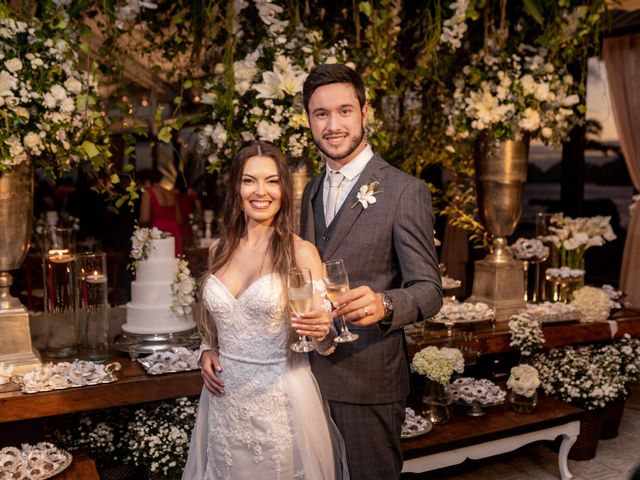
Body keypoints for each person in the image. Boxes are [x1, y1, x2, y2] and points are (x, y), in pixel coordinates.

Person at [300, 63, 443, 479]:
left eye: (344, 111)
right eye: (320, 114)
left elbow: (429, 290)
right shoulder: (309, 190)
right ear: (309, 121)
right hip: (309, 380)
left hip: (368, 382)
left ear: (364, 112)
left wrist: (385, 303)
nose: (333, 125)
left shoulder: (404, 190)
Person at [183, 141, 348, 480]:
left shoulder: (301, 253)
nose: (261, 191)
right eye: (249, 180)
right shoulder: (219, 249)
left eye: (272, 181)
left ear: (284, 189)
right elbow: (214, 325)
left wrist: (322, 332)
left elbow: (324, 339)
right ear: (236, 187)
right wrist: (206, 350)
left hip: (279, 405)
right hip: (223, 404)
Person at [139, 168, 182, 254]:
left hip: (158, 231)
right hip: (174, 230)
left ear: (146, 181)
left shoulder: (148, 192)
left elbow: (145, 218)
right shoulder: (170, 193)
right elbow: (178, 219)